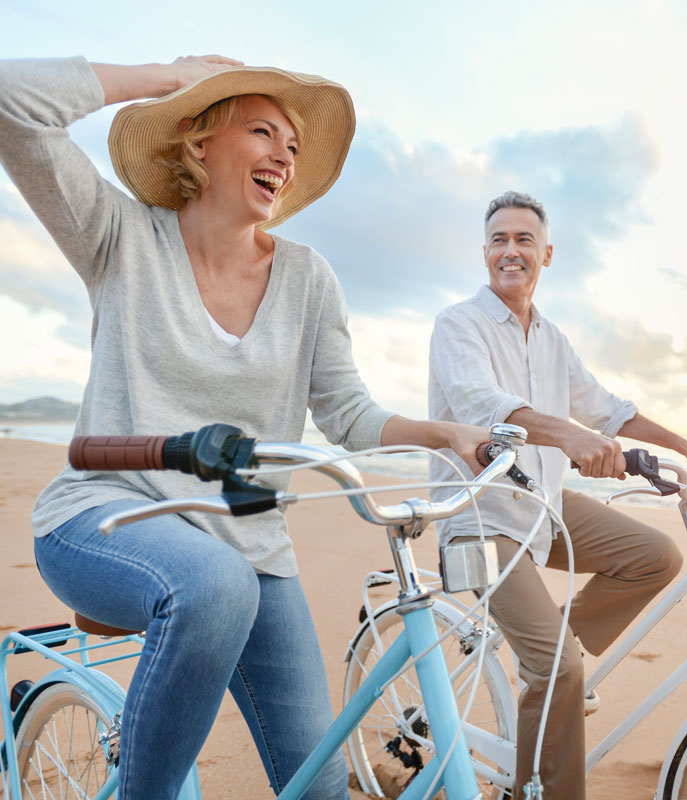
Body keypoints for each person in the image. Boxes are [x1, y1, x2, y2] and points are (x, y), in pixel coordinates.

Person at [0, 55, 487, 800]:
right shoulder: (120, 237)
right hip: (105, 513)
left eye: (293, 146)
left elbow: (347, 412)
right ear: (198, 143)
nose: (284, 156)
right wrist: (165, 78)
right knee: (214, 586)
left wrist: (443, 434)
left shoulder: (308, 278)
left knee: (318, 786)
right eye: (263, 132)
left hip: (251, 545)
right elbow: (13, 101)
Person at [428, 190, 687, 799]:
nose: (511, 251)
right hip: (479, 515)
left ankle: (550, 657)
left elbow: (607, 410)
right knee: (559, 669)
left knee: (655, 556)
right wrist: (571, 437)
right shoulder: (458, 324)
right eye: (499, 240)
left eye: (524, 240)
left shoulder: (553, 339)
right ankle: (549, 706)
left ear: (547, 254)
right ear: (485, 252)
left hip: (541, 503)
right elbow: (484, 406)